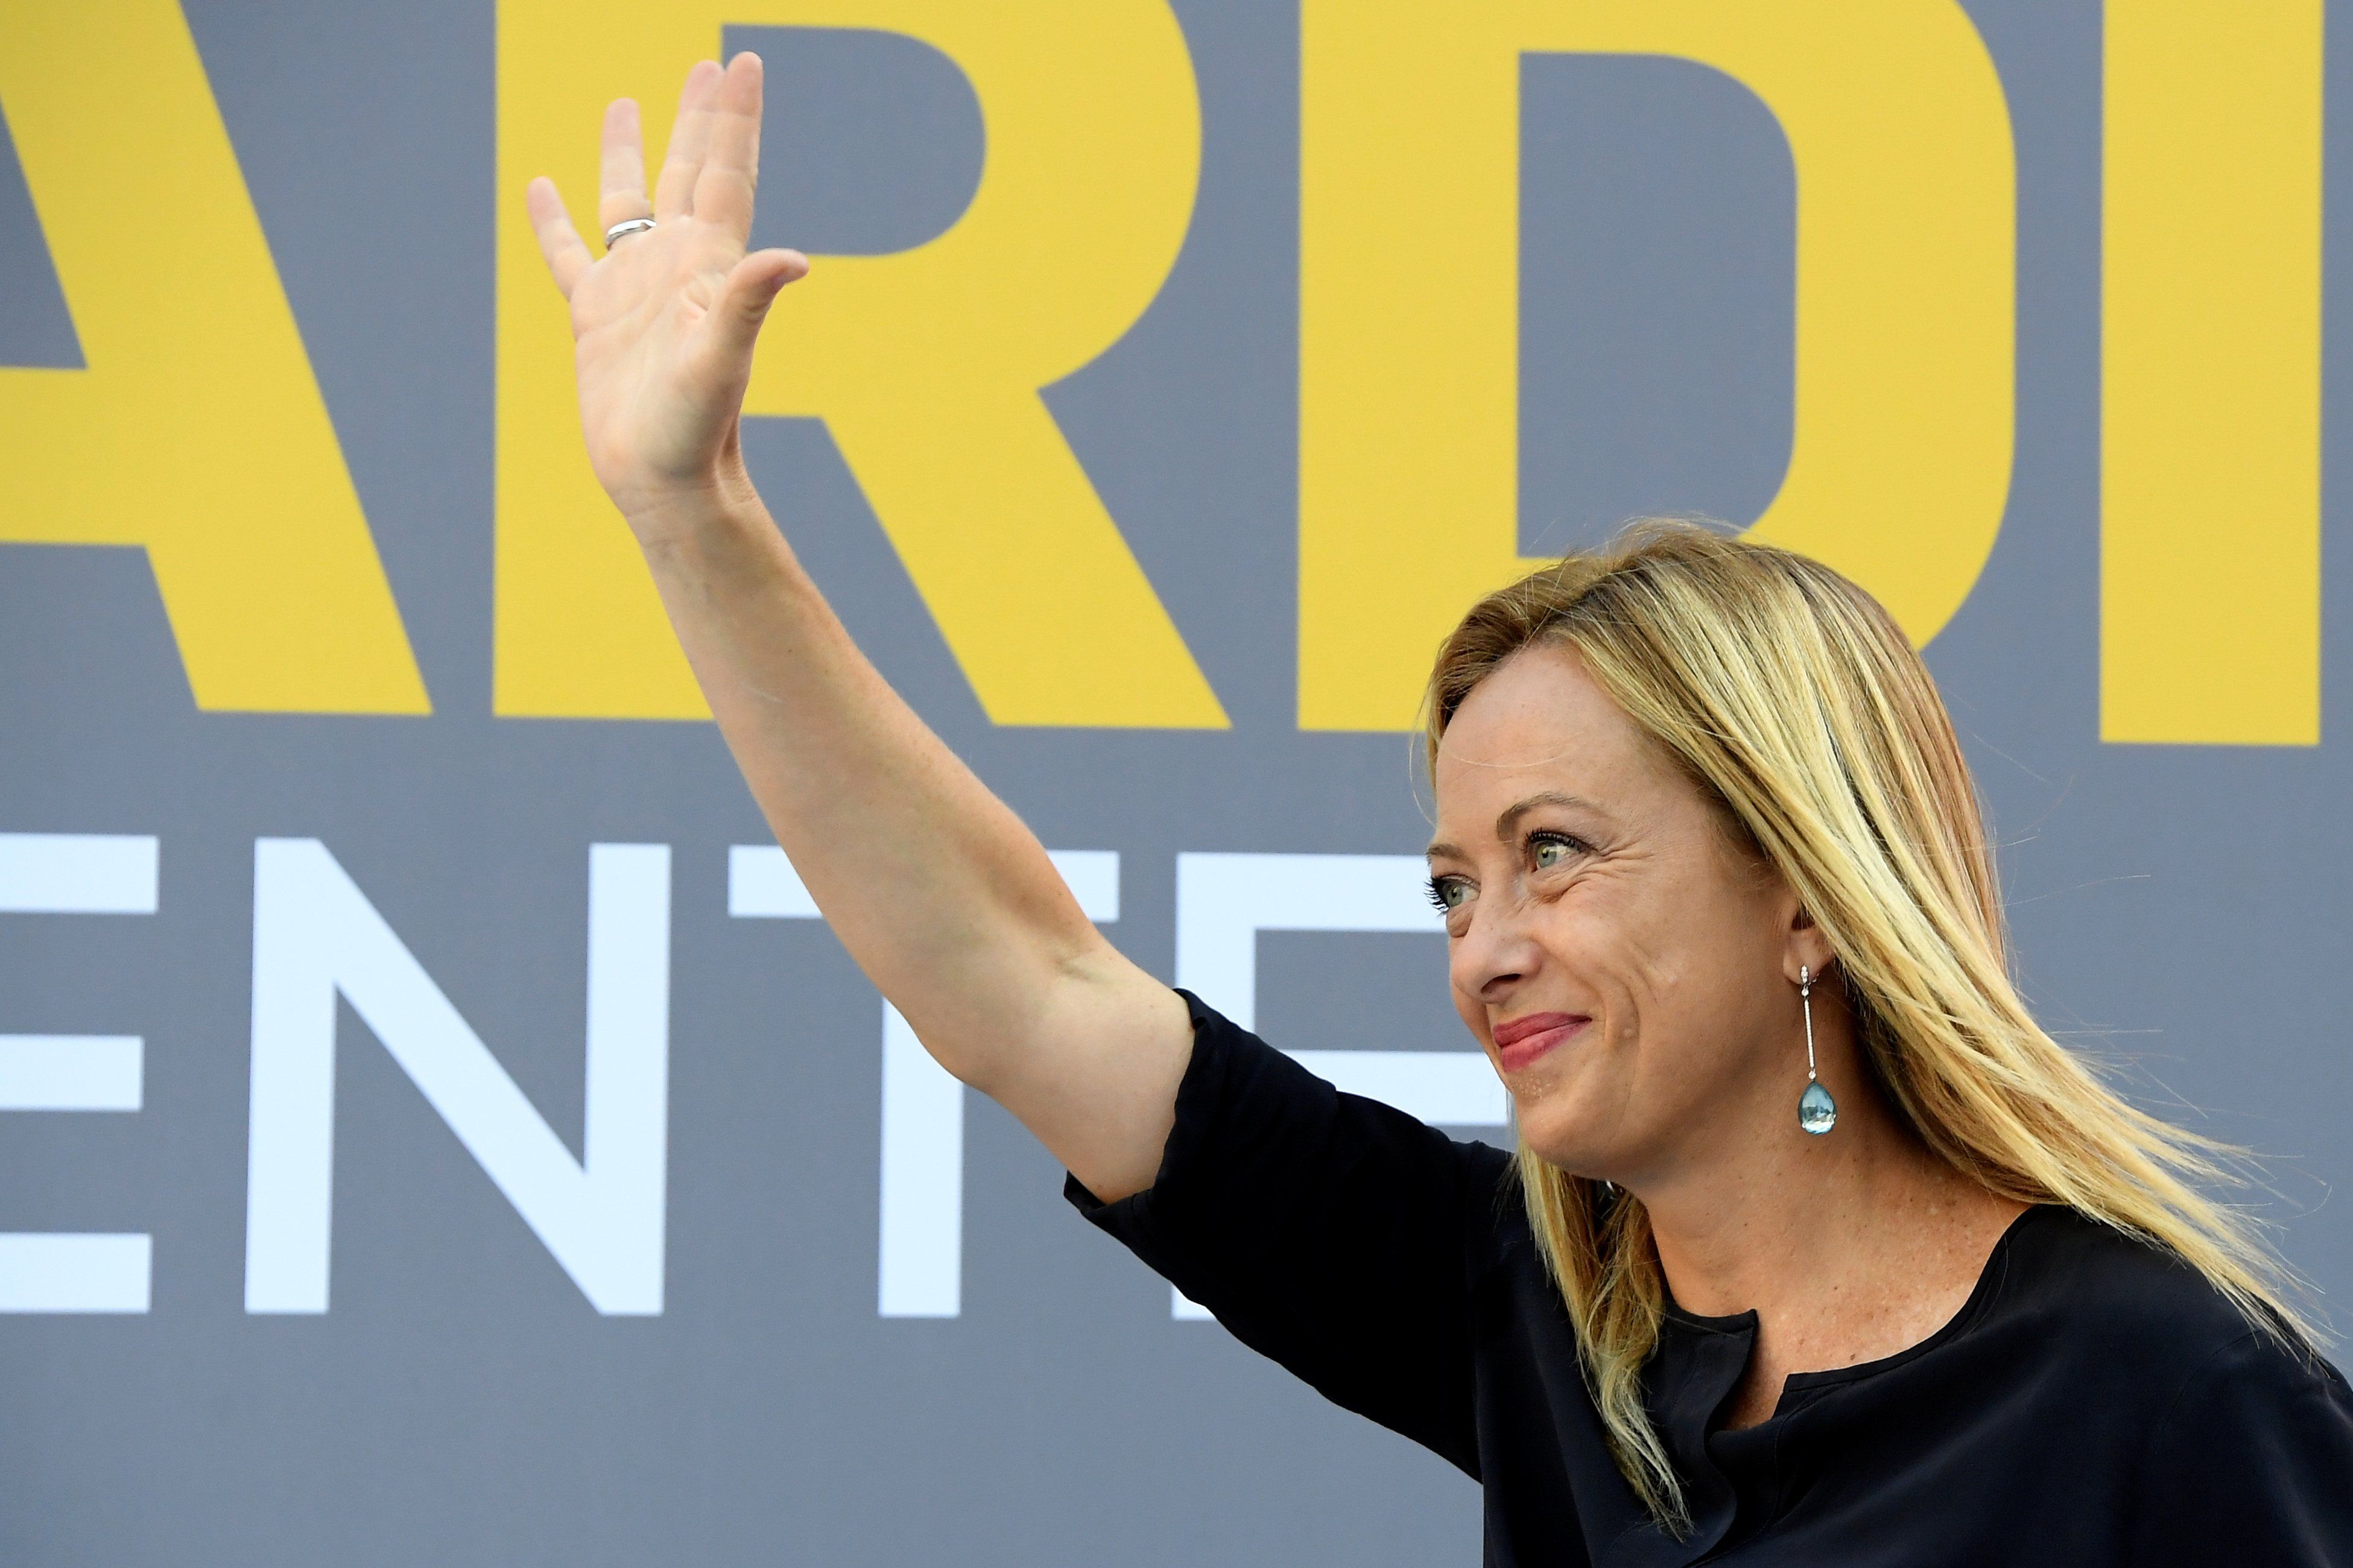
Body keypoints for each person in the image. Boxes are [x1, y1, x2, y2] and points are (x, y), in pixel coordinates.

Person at [524, 52, 2353, 1564]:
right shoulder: (1540, 1310)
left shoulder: (2162, 1388)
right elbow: (1021, 981)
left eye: (1555, 855)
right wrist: (696, 515)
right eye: (1454, 889)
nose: (1489, 948)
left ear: (1806, 888)